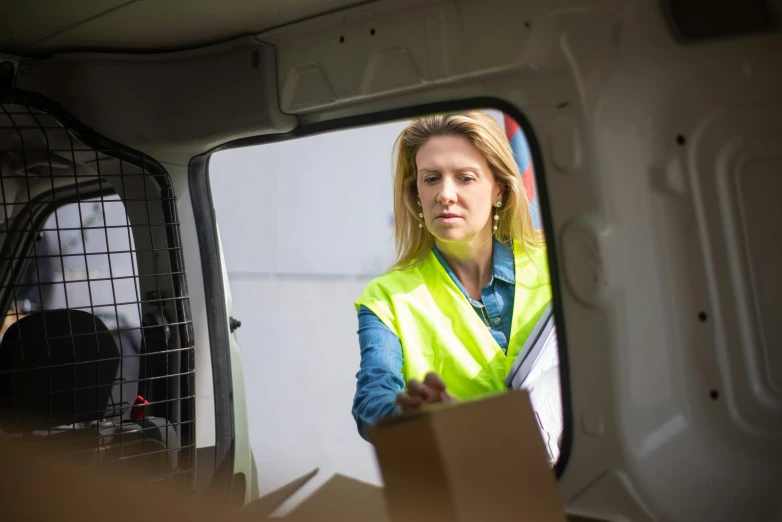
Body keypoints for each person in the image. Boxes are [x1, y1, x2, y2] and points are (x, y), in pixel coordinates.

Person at [352, 111, 552, 442]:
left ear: (499, 190)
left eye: (465, 177)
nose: (445, 194)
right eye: (431, 179)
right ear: (416, 195)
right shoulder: (385, 298)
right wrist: (413, 415)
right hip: (459, 484)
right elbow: (372, 399)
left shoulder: (556, 263)